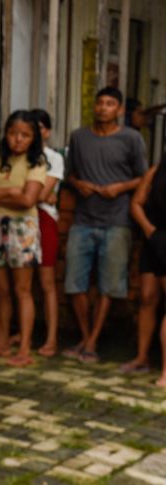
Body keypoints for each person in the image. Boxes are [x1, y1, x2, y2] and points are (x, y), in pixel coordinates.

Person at [63, 87, 147, 363]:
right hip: (83, 219)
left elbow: (143, 178)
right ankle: (87, 338)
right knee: (75, 282)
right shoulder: (79, 137)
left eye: (110, 104)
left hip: (117, 221)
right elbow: (70, 174)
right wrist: (80, 184)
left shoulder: (131, 138)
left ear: (120, 109)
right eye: (99, 103)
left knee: (109, 285)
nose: (103, 108)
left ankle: (92, 341)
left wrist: (120, 187)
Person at [0, 111, 46, 367]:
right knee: (0, 290)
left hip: (23, 228)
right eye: (12, 133)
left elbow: (28, 200)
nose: (18, 140)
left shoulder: (36, 163)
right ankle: (2, 342)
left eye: (25, 135)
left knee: (22, 290)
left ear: (34, 138)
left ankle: (25, 348)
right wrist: (11, 191)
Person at [120, 160, 166, 378]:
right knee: (147, 297)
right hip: (154, 239)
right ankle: (141, 357)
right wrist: (150, 232)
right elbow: (136, 204)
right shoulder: (155, 172)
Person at [30, 109, 64, 357]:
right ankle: (25, 334)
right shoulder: (18, 156)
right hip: (22, 218)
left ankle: (52, 338)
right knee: (23, 284)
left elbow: (40, 195)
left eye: (40, 127)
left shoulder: (54, 157)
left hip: (44, 219)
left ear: (48, 131)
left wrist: (31, 193)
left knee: (46, 281)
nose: (36, 131)